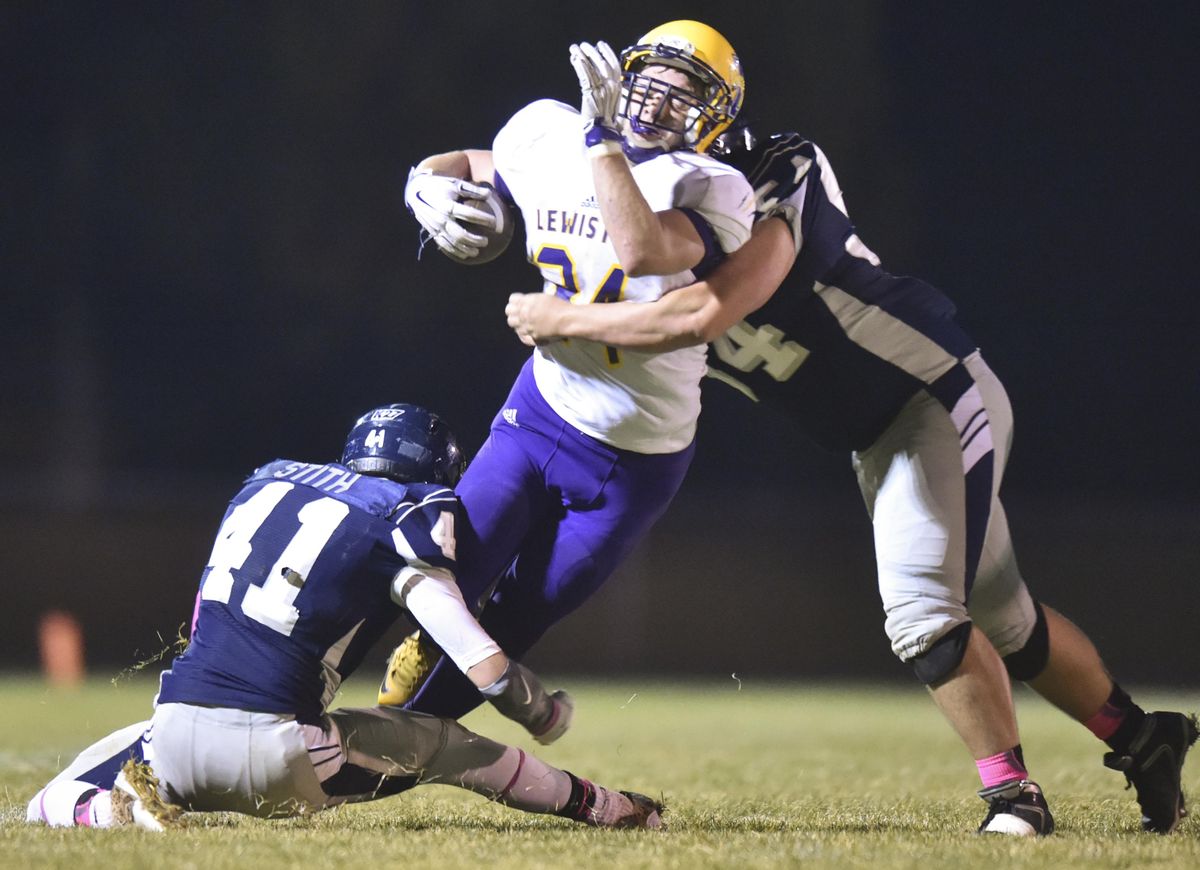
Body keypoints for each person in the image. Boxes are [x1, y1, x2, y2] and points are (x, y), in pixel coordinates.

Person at [503, 130, 1197, 836]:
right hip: (876, 433)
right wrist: (441, 189)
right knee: (1005, 615)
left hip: (931, 397)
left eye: (685, 99)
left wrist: (566, 316)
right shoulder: (630, 208)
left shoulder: (768, 177)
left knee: (923, 610)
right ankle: (1146, 739)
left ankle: (1014, 797)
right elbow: (502, 173)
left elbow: (701, 314)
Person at [26, 404, 662, 831]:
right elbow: (483, 665)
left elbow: (201, 622)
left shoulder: (264, 484)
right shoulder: (402, 518)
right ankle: (607, 808)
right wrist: (542, 710)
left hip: (175, 732)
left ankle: (112, 814)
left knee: (48, 799)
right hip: (282, 752)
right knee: (448, 746)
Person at [384, 21, 755, 718]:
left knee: (520, 618)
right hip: (541, 411)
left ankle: (397, 749)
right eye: (653, 81)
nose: (661, 102)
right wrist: (423, 184)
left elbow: (641, 248)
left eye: (687, 95)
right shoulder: (547, 132)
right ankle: (335, 707)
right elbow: (471, 161)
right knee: (444, 574)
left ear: (712, 120)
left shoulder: (713, 186)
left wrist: (603, 140)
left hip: (637, 455)